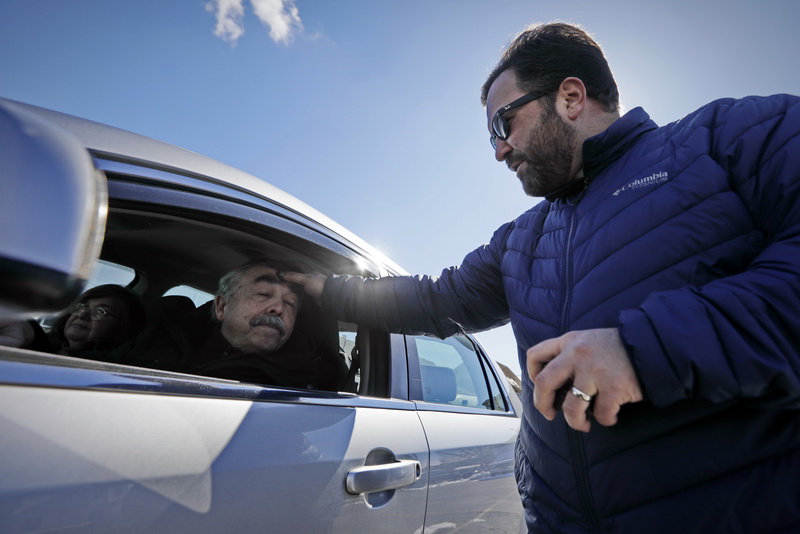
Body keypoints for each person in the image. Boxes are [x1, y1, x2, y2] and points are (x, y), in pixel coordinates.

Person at [283, 22, 800, 533]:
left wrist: (647, 348)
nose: (499, 151)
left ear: (570, 97)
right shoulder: (521, 240)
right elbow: (431, 298)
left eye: (503, 125)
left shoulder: (730, 139)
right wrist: (327, 290)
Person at [114, 260, 345, 391]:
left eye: (290, 303)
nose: (278, 308)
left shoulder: (306, 386)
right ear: (222, 306)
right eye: (263, 294)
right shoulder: (160, 332)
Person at [0, 284, 146, 359]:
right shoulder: (46, 344)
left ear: (122, 327)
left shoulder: (103, 369)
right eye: (83, 306)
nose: (82, 314)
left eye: (101, 311)